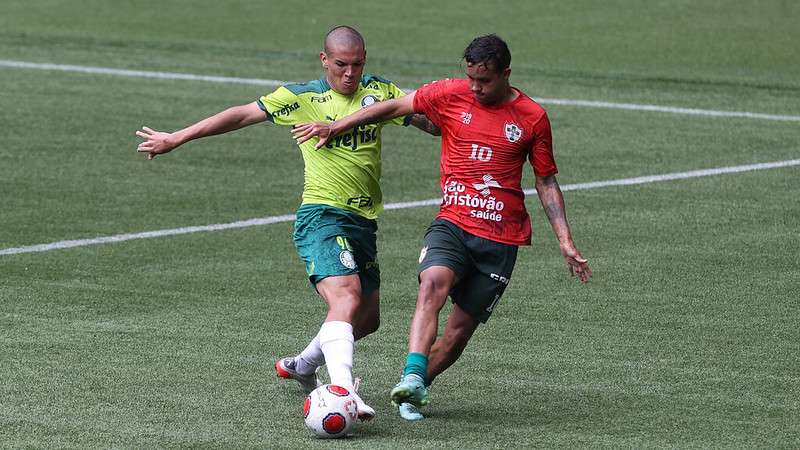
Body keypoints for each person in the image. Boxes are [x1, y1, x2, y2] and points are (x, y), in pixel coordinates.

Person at [135, 25, 439, 420]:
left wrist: (444, 103)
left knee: (366, 319)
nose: (350, 74)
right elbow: (241, 114)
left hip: (363, 221)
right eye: (342, 65)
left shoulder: (379, 93)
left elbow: (430, 124)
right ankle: (344, 391)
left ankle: (303, 365)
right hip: (322, 215)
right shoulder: (303, 97)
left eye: (358, 65)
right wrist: (178, 137)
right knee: (346, 298)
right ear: (324, 60)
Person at [292, 33, 592, 421]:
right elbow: (392, 106)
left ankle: (414, 388)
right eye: (470, 78)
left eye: (484, 80)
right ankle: (412, 372)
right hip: (452, 222)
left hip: (501, 239)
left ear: (506, 74)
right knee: (432, 282)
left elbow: (546, 181)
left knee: (457, 335)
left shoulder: (532, 118)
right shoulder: (450, 93)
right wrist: (338, 126)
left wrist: (565, 241)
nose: (475, 87)